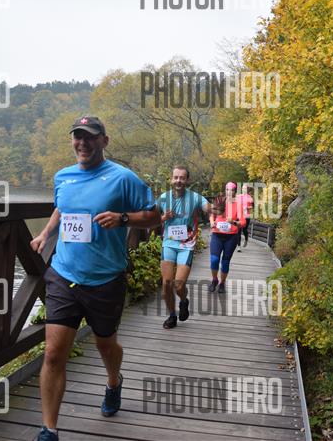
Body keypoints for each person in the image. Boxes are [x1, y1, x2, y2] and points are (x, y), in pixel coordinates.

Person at [29, 116, 160, 441]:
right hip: (64, 274)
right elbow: (62, 208)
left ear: (104, 140)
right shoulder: (63, 176)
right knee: (53, 354)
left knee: (105, 344)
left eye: (90, 137)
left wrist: (123, 218)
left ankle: (114, 382)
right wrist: (46, 233)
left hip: (106, 279)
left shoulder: (123, 178)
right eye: (78, 137)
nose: (83, 143)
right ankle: (49, 429)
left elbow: (154, 216)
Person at [157, 165, 210, 329]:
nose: (178, 181)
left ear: (187, 180)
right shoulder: (163, 198)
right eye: (176, 177)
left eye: (182, 178)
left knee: (178, 285)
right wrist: (163, 217)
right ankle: (172, 315)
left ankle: (184, 300)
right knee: (166, 283)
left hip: (186, 245)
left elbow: (207, 207)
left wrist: (214, 210)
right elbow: (151, 218)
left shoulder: (195, 198)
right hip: (169, 243)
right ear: (171, 179)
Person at [208, 182, 246, 293]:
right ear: (225, 190)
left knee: (225, 262)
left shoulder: (238, 204)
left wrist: (233, 222)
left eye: (232, 190)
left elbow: (243, 222)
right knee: (214, 260)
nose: (229, 192)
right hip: (217, 235)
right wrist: (212, 222)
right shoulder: (219, 201)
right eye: (227, 189)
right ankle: (214, 280)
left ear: (235, 192)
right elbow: (212, 215)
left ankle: (222, 283)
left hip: (231, 237)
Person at [236, 183, 254, 251]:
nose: (244, 189)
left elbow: (252, 206)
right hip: (239, 216)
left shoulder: (250, 198)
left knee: (244, 230)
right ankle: (239, 246)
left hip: (246, 216)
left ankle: (246, 239)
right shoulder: (238, 196)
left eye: (245, 188)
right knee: (238, 231)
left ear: (247, 189)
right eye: (243, 188)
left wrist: (246, 207)